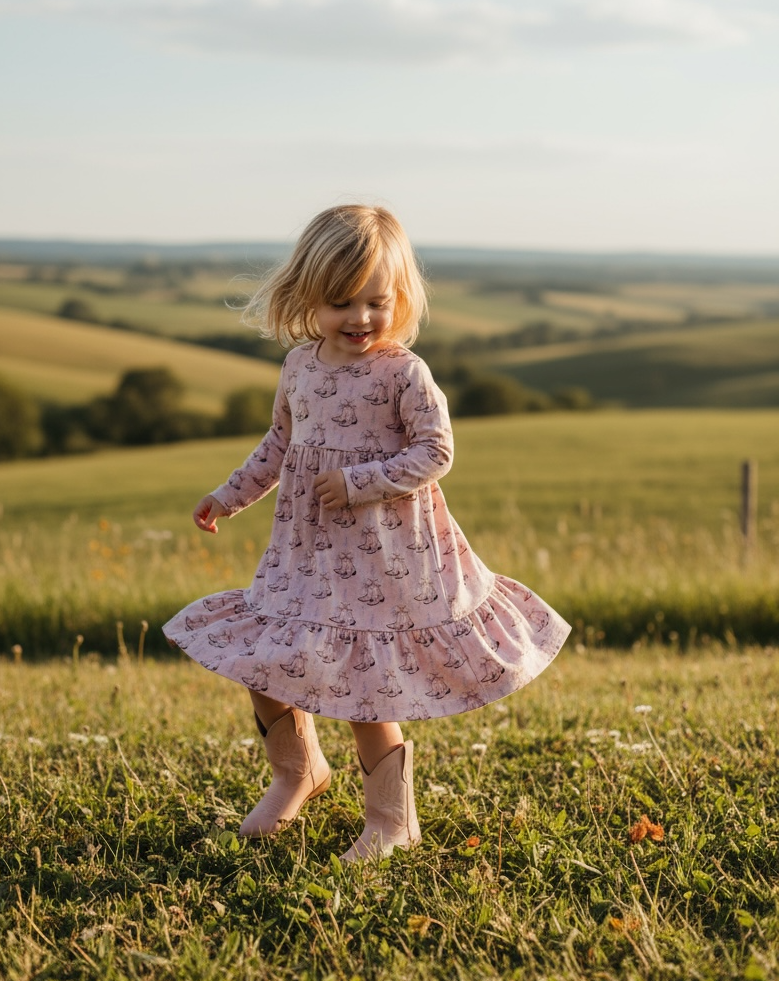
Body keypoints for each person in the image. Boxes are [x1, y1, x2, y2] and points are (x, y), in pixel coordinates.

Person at [163, 205, 571, 860]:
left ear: (400, 298)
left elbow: (436, 451)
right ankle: (299, 774)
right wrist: (228, 495)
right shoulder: (300, 366)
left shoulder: (402, 373)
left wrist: (360, 481)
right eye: (340, 302)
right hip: (304, 553)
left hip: (384, 554)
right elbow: (278, 444)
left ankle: (391, 819)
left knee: (364, 684)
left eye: (375, 301)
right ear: (306, 299)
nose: (359, 318)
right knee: (262, 660)